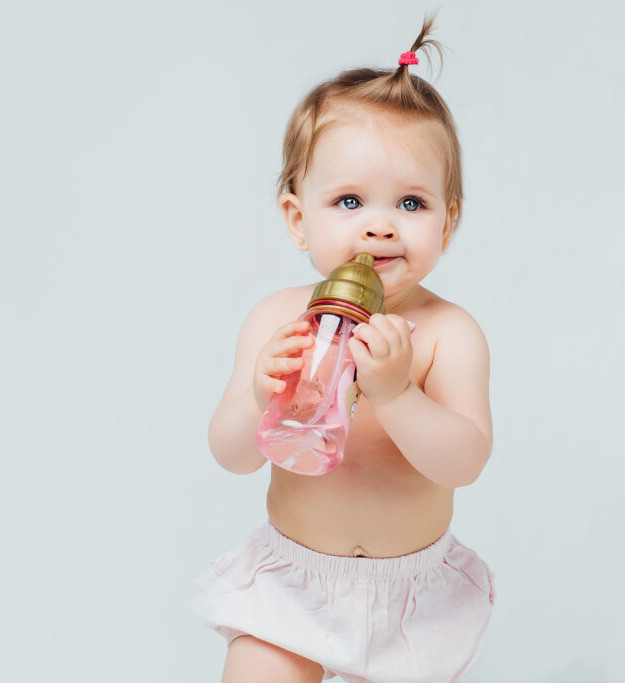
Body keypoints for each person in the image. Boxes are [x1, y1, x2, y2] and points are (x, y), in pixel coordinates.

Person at [191, 16, 495, 683]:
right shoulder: (279, 319)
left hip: (408, 600)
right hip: (295, 579)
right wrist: (257, 395)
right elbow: (230, 453)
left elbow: (466, 458)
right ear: (298, 216)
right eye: (350, 199)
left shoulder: (449, 334)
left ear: (449, 218)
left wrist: (397, 392)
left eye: (411, 202)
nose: (380, 224)